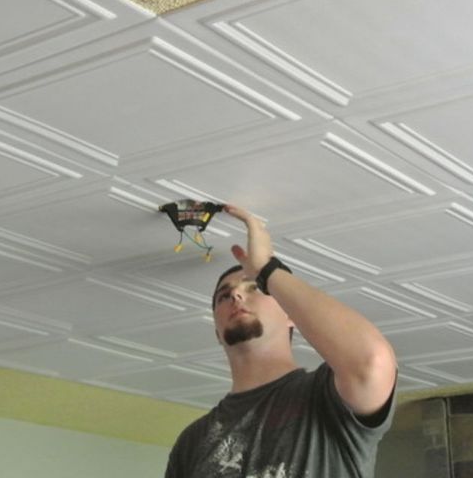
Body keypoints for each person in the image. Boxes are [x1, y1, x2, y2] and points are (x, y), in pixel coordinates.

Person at [165, 204, 397, 478]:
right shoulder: (193, 440)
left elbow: (372, 361)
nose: (236, 296)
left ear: (290, 313)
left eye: (253, 288)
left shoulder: (326, 396)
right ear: (217, 332)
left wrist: (266, 270)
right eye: (223, 296)